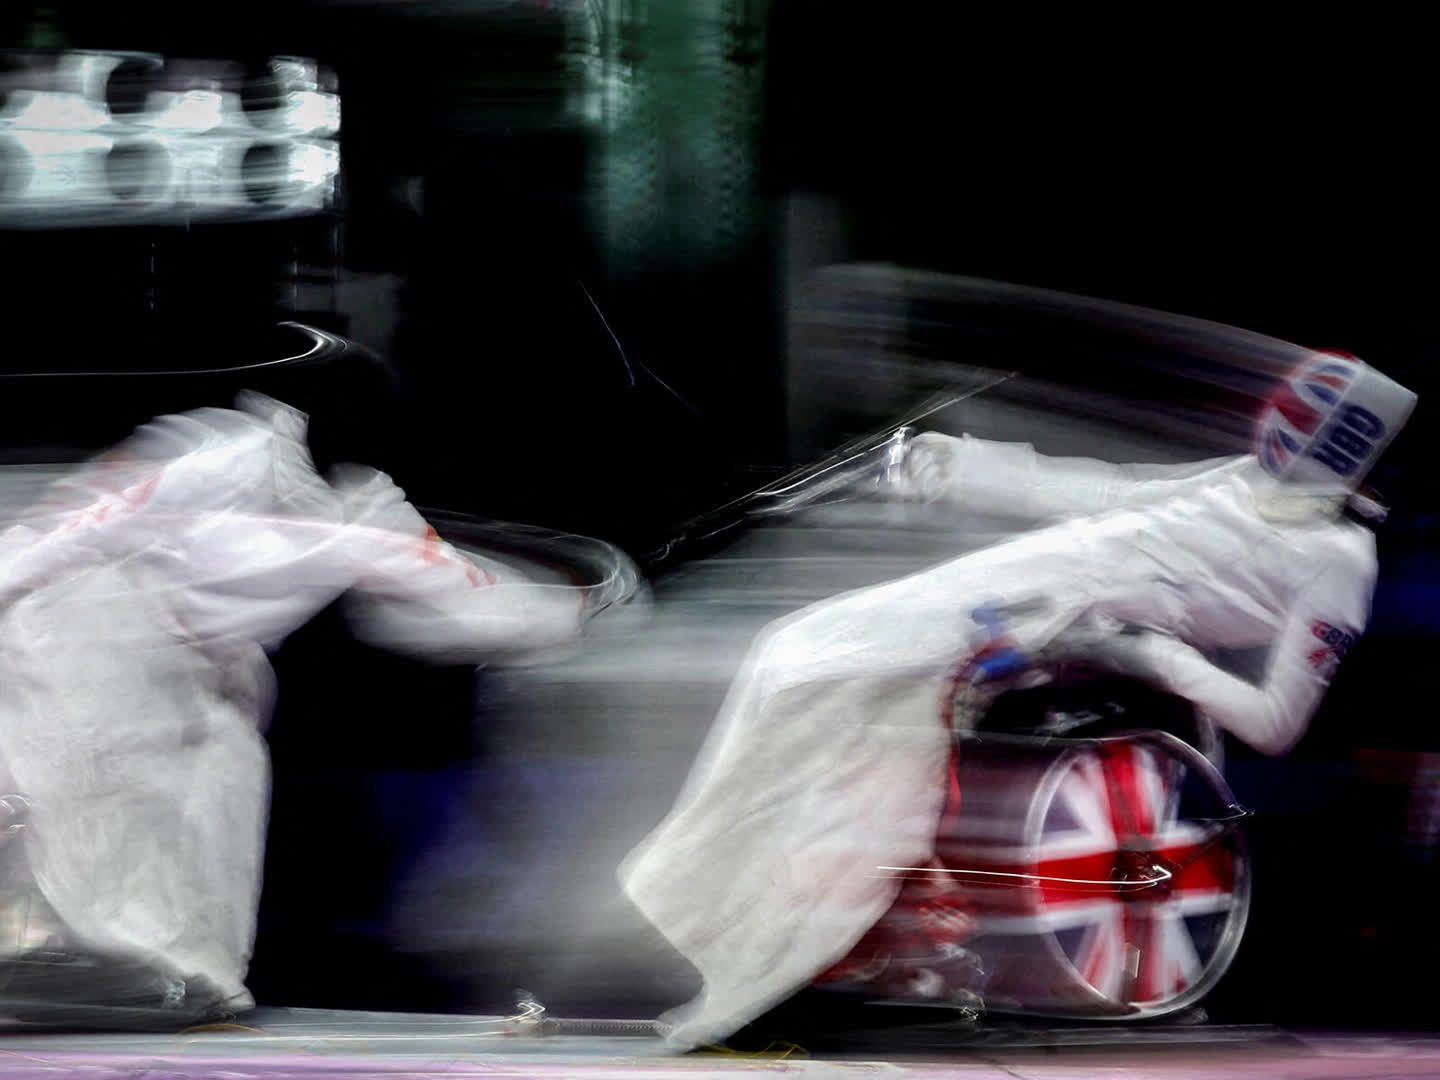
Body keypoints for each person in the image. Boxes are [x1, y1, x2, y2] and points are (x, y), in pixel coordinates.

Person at [620, 351, 1417, 1048]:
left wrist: (1150, 654)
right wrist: (967, 466)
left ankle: (780, 962)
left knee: (837, 691)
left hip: (1058, 630)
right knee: (790, 653)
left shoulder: (1338, 561)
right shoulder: (1245, 480)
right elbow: (1110, 495)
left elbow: (1275, 724)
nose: (1273, 436)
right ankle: (722, 922)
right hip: (1023, 581)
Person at [0, 392, 626, 1021]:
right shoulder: (223, 452)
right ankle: (78, 954)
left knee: (226, 785)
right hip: (91, 628)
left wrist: (575, 612)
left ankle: (182, 973)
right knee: (109, 791)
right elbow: (89, 518)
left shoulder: (370, 507)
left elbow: (453, 591)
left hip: (204, 665)